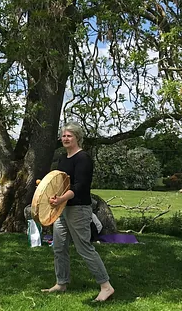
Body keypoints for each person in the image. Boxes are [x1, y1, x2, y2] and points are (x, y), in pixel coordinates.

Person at [41, 122, 115, 302]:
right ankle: (61, 283)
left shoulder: (83, 159)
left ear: (77, 138)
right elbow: (59, 182)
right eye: (64, 136)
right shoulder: (62, 159)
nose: (65, 139)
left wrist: (61, 199)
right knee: (59, 247)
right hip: (62, 208)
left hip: (79, 208)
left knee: (84, 248)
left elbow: (80, 187)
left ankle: (106, 286)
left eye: (69, 136)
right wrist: (54, 198)